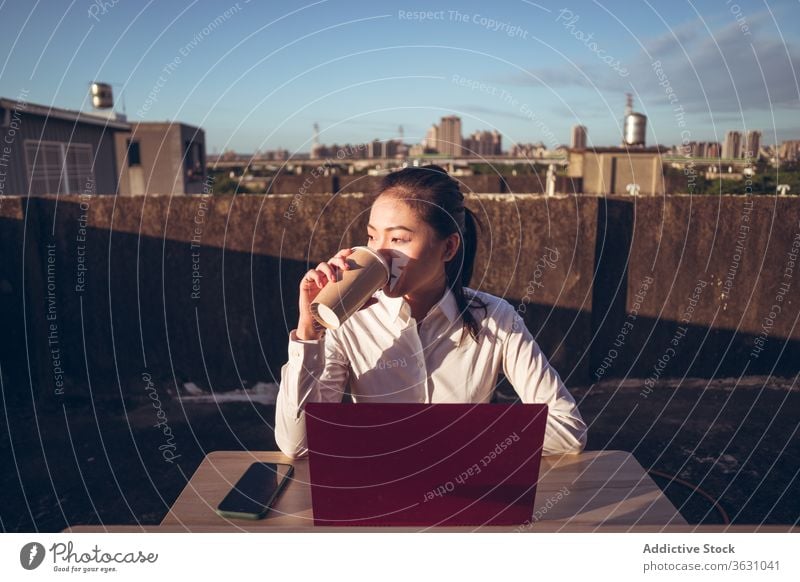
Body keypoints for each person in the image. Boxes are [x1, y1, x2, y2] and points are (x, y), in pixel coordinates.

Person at [275, 165, 587, 458]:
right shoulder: (350, 320)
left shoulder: (495, 318)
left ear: (448, 248)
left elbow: (569, 430)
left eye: (398, 238)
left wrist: (447, 437)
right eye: (372, 236)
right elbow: (297, 445)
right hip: (379, 496)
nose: (378, 252)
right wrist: (309, 331)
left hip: (468, 497)